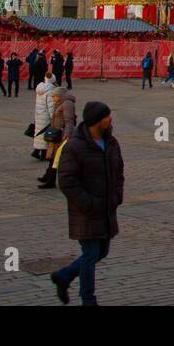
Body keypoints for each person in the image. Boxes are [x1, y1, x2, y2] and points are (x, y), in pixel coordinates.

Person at [50, 101, 123, 306]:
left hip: (107, 208)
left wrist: (117, 195)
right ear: (96, 121)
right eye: (107, 116)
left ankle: (64, 276)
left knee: (102, 252)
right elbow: (66, 180)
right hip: (85, 210)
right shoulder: (75, 146)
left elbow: (119, 172)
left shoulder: (111, 142)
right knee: (91, 253)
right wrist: (87, 203)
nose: (111, 119)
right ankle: (88, 300)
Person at [39, 83, 77, 189]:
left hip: (62, 136)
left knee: (58, 159)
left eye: (54, 96)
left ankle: (52, 180)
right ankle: (49, 178)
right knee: (53, 159)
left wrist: (67, 135)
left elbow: (69, 121)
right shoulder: (60, 103)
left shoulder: (67, 104)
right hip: (56, 135)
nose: (53, 98)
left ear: (60, 96)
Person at [32, 73, 56, 160]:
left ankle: (37, 151)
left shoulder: (40, 89)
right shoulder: (50, 91)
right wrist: (53, 116)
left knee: (38, 132)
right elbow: (51, 106)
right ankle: (43, 154)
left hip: (39, 113)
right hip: (45, 115)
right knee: (45, 133)